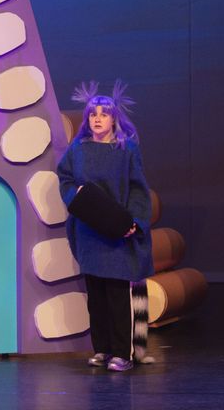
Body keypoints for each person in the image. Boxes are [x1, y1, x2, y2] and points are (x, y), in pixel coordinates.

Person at [55, 81, 153, 372]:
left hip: (117, 232)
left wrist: (134, 221)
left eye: (104, 114)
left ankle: (122, 353)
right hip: (89, 230)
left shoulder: (126, 149)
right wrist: (76, 197)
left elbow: (138, 189)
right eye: (92, 114)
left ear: (114, 118)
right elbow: (65, 179)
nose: (97, 119)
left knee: (116, 295)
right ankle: (102, 349)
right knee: (96, 295)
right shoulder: (78, 149)